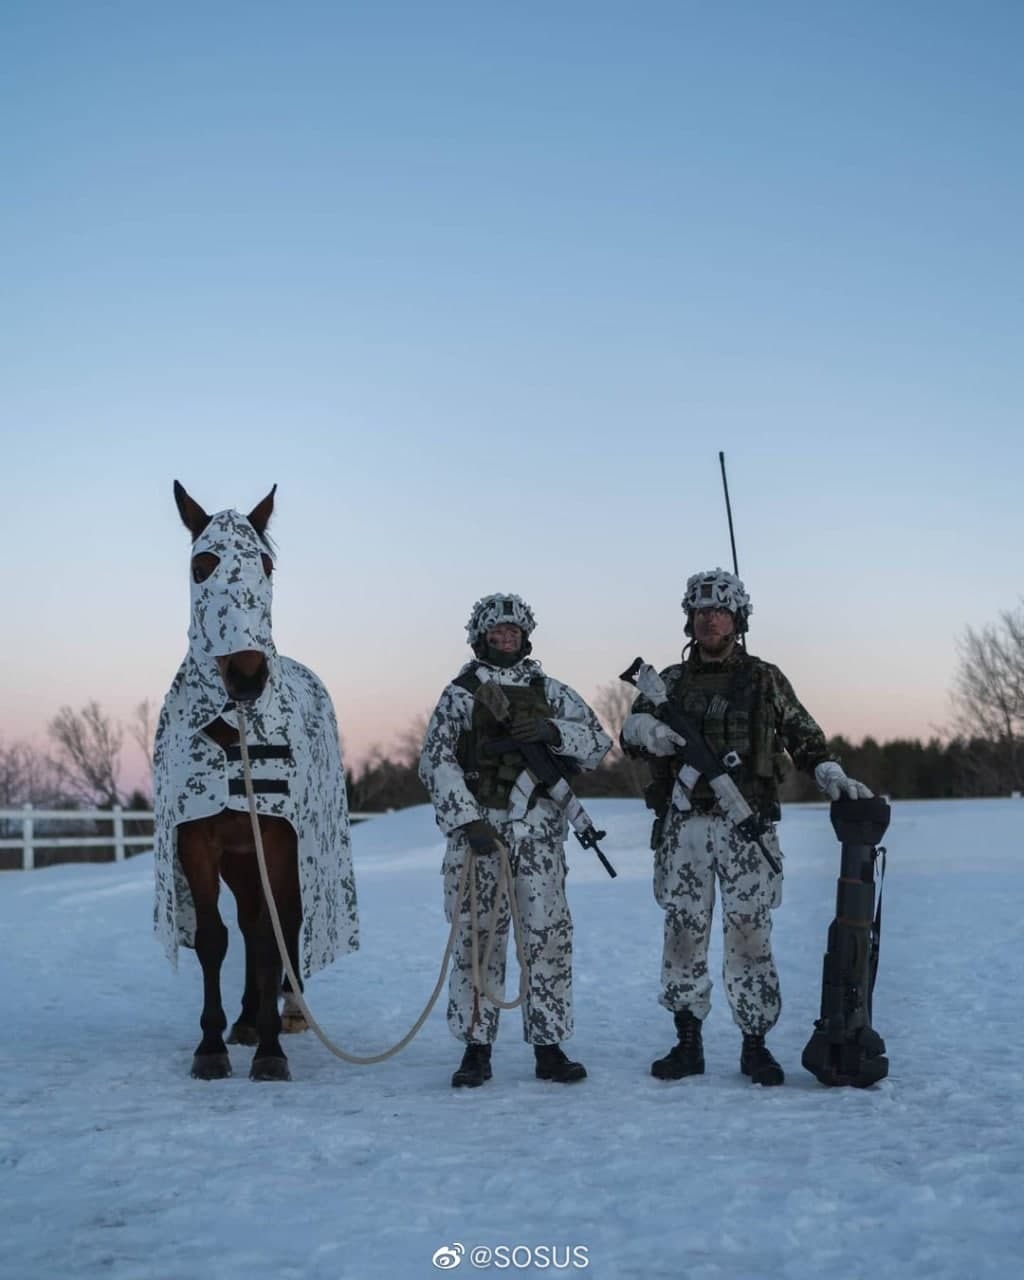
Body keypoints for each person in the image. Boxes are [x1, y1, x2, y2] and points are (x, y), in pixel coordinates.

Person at [621, 568, 871, 1086]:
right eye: (701, 610)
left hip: (746, 826)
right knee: (683, 934)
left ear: (738, 618)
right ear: (689, 620)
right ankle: (687, 1040)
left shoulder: (764, 678)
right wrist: (653, 730)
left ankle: (754, 1043)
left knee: (750, 935)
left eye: (720, 609)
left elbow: (804, 736)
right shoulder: (666, 681)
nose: (710, 618)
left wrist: (831, 774)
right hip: (684, 827)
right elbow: (629, 732)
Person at [419, 593, 611, 1088]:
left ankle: (550, 1045)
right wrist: (467, 820)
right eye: (496, 631)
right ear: (480, 637)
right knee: (478, 939)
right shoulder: (460, 693)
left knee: (547, 935)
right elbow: (436, 760)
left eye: (513, 631)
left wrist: (550, 730)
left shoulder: (553, 691)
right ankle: (476, 1048)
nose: (505, 638)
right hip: (480, 832)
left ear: (525, 637)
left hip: (540, 831)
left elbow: (596, 743)